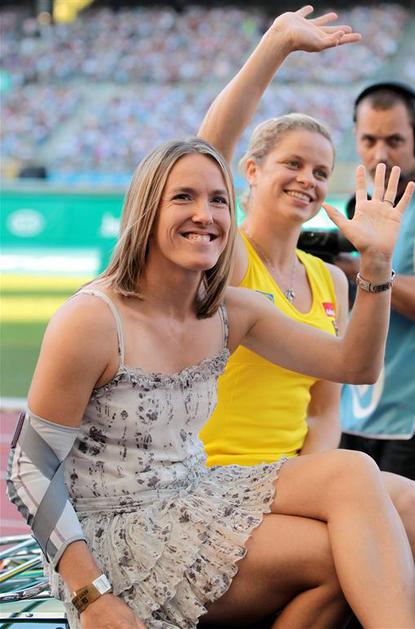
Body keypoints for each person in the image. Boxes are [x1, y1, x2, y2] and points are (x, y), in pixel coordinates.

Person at [7, 8, 415, 629]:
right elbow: (30, 468)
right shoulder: (95, 317)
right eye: (184, 197)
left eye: (216, 201)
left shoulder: (230, 308)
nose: (205, 213)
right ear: (148, 208)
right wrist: (91, 596)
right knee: (341, 546)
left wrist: (377, 264)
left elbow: (355, 368)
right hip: (120, 536)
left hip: (199, 496)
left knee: (356, 478)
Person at [198, 18, 415, 559]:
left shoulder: (329, 279)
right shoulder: (225, 256)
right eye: (292, 163)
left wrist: (311, 486)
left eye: (320, 171)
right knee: (351, 547)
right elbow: (205, 153)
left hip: (291, 482)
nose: (307, 180)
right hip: (215, 480)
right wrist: (276, 46)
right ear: (250, 170)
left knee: (403, 510)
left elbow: (323, 410)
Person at [337, 82, 415, 480]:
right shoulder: (358, 206)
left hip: (408, 417)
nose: (380, 154)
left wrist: (364, 269)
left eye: (394, 140)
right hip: (354, 405)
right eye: (369, 140)